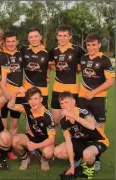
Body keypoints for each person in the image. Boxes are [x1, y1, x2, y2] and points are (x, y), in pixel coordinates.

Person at [77, 33, 114, 171]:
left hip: (97, 99)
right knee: (82, 128)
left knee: (98, 129)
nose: (91, 47)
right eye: (88, 45)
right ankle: (82, 156)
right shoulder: (83, 58)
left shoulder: (105, 60)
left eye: (94, 45)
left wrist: (94, 92)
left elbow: (111, 80)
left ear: (99, 45)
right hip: (82, 99)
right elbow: (75, 71)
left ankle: (96, 158)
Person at [53, 91, 109, 179]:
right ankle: (79, 159)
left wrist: (72, 115)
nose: (64, 105)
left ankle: (90, 166)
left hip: (97, 140)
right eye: (62, 103)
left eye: (66, 102)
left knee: (87, 154)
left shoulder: (83, 112)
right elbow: (68, 143)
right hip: (81, 141)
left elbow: (91, 126)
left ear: (74, 102)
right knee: (57, 151)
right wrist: (72, 167)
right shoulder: (63, 121)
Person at [8, 87, 55, 171]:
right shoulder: (26, 108)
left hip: (44, 140)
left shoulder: (47, 116)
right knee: (14, 140)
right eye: (30, 99)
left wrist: (36, 146)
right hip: (31, 137)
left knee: (48, 153)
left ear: (41, 99)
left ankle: (44, 160)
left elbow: (52, 139)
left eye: (35, 98)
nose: (33, 102)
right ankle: (25, 159)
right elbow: (10, 106)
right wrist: (15, 93)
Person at [48, 25, 85, 124]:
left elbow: (86, 63)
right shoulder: (53, 50)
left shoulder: (78, 50)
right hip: (57, 88)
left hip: (73, 89)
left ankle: (71, 140)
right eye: (60, 35)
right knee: (55, 120)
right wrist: (50, 72)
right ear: (57, 37)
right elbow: (48, 64)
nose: (62, 38)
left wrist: (77, 70)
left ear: (70, 36)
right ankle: (53, 140)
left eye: (65, 35)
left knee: (72, 120)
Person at [19, 27, 50, 107]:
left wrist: (47, 74)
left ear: (40, 37)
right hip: (27, 87)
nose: (33, 39)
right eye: (31, 37)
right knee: (28, 113)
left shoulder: (47, 52)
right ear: (28, 39)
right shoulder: (23, 49)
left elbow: (51, 66)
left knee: (44, 113)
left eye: (36, 36)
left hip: (42, 87)